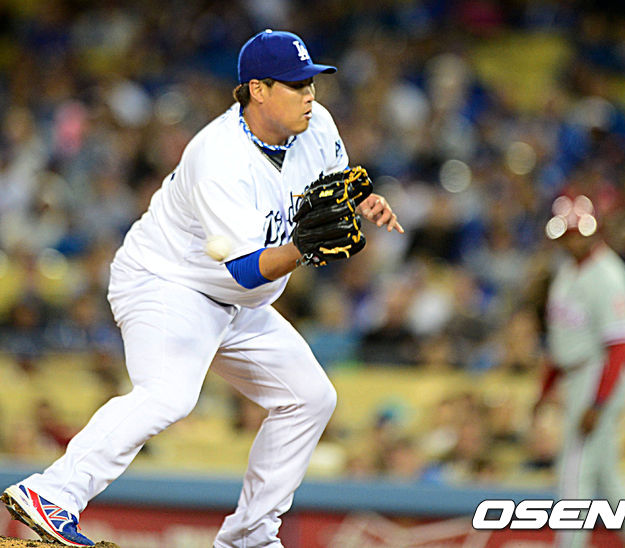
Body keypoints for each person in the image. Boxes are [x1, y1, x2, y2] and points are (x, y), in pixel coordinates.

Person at [1, 29, 403, 548]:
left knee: (310, 398)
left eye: (311, 83)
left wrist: (364, 202)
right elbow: (246, 269)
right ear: (258, 90)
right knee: (168, 395)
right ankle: (52, 493)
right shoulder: (219, 157)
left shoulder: (316, 124)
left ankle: (249, 536)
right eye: (296, 85)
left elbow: (337, 181)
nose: (310, 94)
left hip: (235, 303)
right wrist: (304, 248)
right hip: (167, 283)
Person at [533, 194, 625, 548]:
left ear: (595, 231)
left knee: (576, 471)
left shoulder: (609, 275)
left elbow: (620, 346)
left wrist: (598, 403)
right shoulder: (567, 271)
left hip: (600, 374)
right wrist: (545, 390)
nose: (573, 241)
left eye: (579, 233)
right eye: (567, 234)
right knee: (607, 478)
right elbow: (561, 342)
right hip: (577, 374)